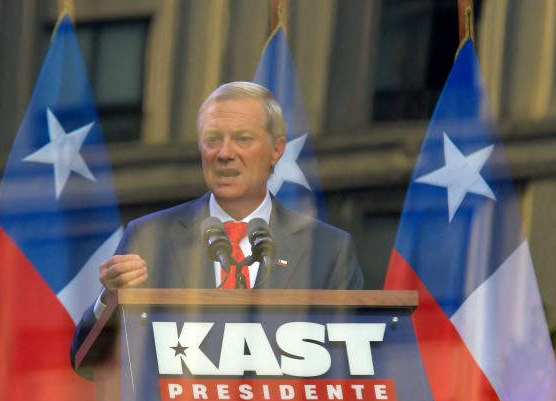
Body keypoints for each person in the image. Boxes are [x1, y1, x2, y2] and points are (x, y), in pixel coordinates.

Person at [71, 81, 363, 373]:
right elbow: (87, 361)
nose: (224, 153)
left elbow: (353, 365)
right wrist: (109, 300)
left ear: (276, 150)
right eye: (212, 139)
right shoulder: (148, 238)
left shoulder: (328, 248)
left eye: (243, 139)